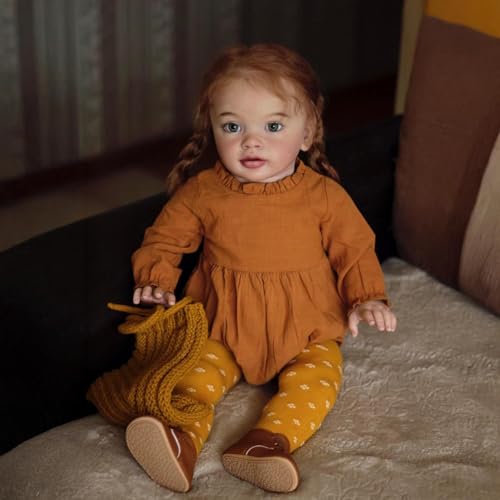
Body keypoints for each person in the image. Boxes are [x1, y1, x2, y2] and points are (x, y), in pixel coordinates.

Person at [127, 43, 397, 493]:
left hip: (307, 327)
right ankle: (178, 438)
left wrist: (366, 297)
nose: (251, 141)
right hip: (224, 322)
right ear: (212, 128)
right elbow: (165, 238)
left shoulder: (324, 196)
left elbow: (354, 250)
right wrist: (155, 279)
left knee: (317, 380)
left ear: (308, 132)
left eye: (273, 126)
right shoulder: (203, 193)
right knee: (193, 376)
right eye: (232, 126)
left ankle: (267, 442)